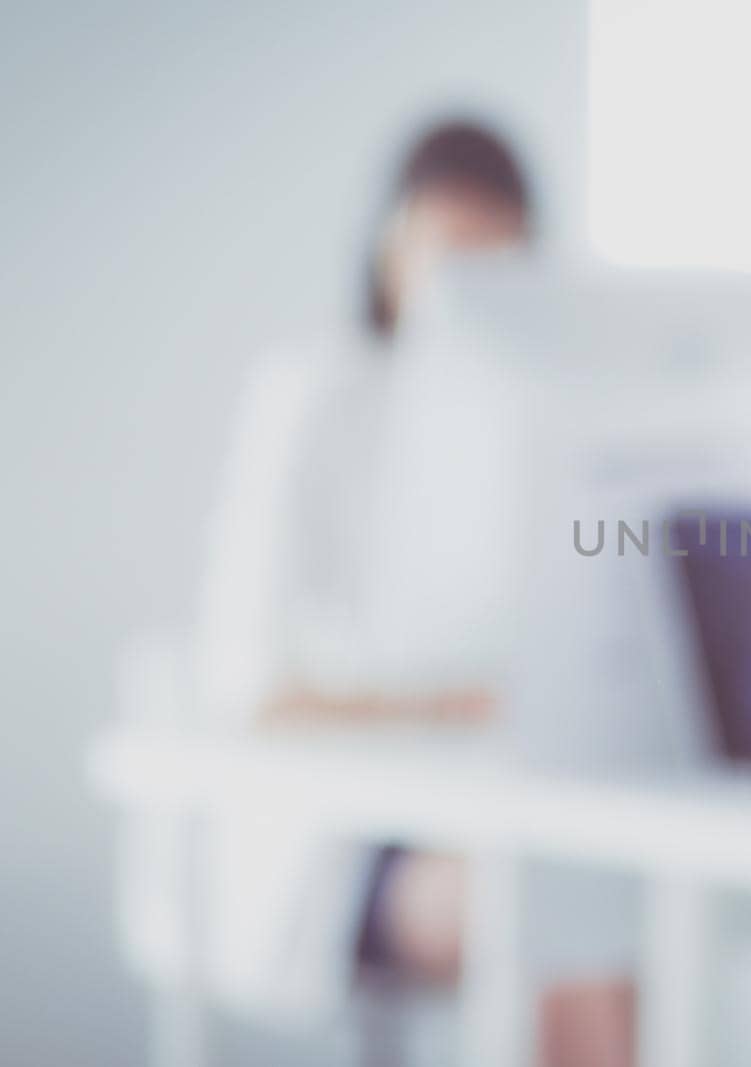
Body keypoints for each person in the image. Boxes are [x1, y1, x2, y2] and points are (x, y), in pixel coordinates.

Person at [179, 117, 634, 1060]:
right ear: (389, 255)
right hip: (338, 835)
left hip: (501, 807)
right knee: (548, 921)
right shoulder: (313, 398)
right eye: (443, 258)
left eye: (495, 267)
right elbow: (252, 683)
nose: (462, 296)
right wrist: (459, 705)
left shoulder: (532, 427)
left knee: (608, 906)